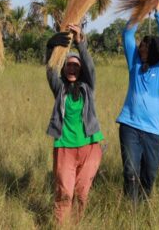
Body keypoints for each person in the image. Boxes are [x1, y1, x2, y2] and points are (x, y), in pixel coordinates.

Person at [116, 0, 159, 203]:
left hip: (154, 132)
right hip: (130, 126)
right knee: (130, 172)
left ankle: (143, 207)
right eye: (140, 47)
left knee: (149, 176)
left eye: (145, 48)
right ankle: (130, 210)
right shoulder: (134, 66)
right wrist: (141, 11)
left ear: (155, 51)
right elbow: (127, 35)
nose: (141, 50)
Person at [45, 24, 104, 224]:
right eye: (68, 65)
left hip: (90, 148)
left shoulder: (88, 88)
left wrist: (80, 43)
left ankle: (77, 224)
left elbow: (91, 68)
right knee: (64, 193)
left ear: (80, 70)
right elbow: (51, 70)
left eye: (75, 66)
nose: (72, 68)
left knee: (81, 194)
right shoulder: (60, 89)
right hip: (65, 148)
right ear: (64, 68)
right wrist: (50, 47)